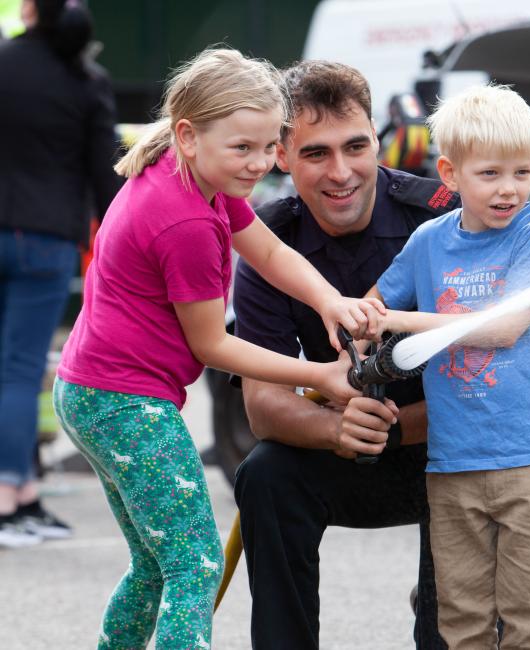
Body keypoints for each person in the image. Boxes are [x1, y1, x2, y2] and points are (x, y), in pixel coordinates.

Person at [52, 48, 382, 650]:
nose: (260, 164)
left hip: (92, 393)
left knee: (157, 565)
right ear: (189, 132)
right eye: (244, 148)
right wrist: (324, 376)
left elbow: (270, 252)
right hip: (124, 405)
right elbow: (213, 345)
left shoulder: (198, 173)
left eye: (267, 147)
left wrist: (332, 301)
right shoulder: (185, 223)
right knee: (195, 564)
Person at [232, 60, 460, 649]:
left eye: (355, 146)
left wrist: (390, 427)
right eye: (316, 154)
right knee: (265, 475)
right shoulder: (267, 241)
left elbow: (494, 386)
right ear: (281, 156)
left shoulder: (441, 215)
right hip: (345, 449)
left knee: (479, 460)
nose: (342, 173)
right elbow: (262, 407)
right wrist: (337, 431)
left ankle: (445, 619)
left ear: (377, 141)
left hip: (449, 451)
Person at [372, 85, 530, 649]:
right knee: (460, 624)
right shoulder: (427, 243)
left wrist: (401, 321)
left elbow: (501, 328)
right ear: (451, 173)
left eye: (522, 171)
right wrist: (361, 323)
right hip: (453, 468)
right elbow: (372, 307)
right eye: (490, 174)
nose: (510, 189)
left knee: (529, 621)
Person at [0, 0, 121, 549]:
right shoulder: (84, 80)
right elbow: (106, 178)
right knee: (20, 372)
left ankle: (20, 496)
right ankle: (13, 498)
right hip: (45, 240)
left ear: (28, 11)